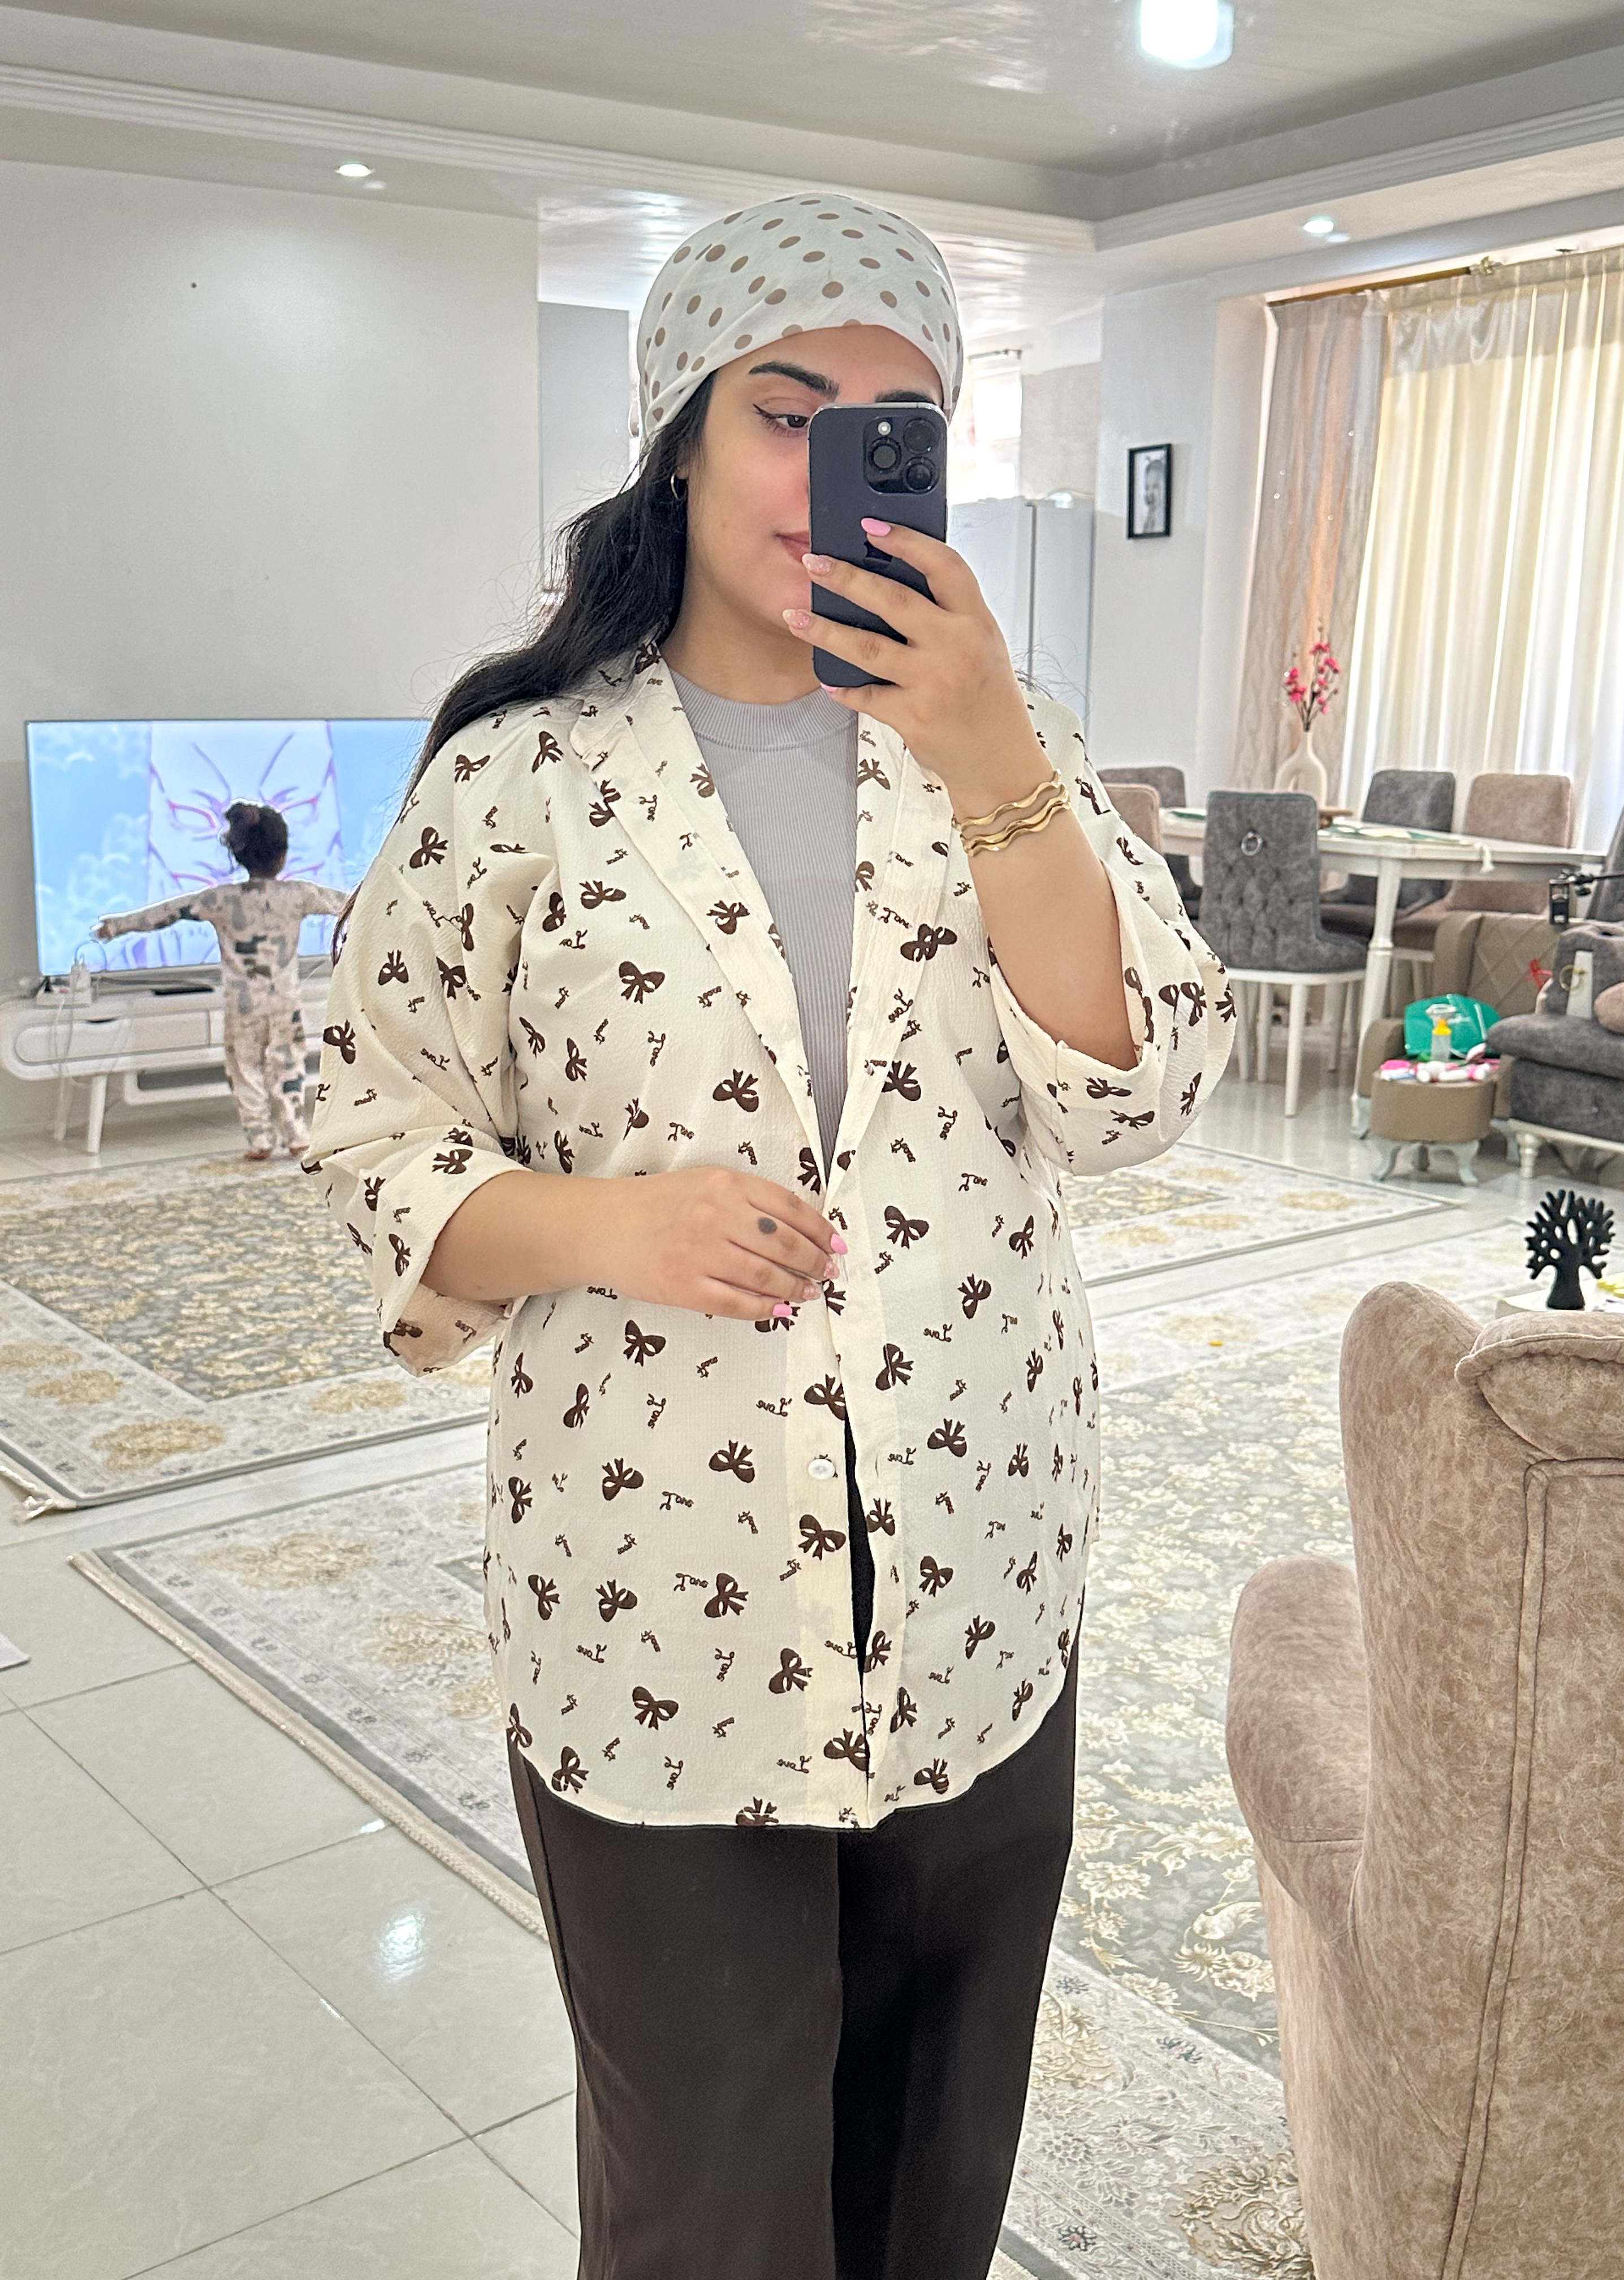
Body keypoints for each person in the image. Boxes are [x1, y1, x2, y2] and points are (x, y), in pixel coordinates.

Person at [308, 191, 1235, 2280]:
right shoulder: (519, 780)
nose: (831, 470)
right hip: (663, 1608)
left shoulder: (1009, 751)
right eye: (784, 412)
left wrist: (995, 765)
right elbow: (365, 1123)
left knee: (932, 2173)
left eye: (892, 429)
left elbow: (1142, 1088)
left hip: (977, 1570)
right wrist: (596, 1222)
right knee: (708, 2203)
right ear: (679, 440)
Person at [94, 801, 347, 1160]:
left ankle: (260, 1138)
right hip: (284, 1001)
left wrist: (117, 926)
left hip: (242, 1005)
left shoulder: (221, 900)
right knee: (288, 1064)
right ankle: (296, 1134)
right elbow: (346, 903)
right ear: (282, 854)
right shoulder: (298, 895)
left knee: (244, 1067)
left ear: (239, 853)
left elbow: (168, 913)